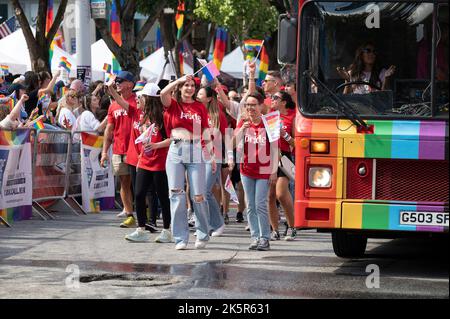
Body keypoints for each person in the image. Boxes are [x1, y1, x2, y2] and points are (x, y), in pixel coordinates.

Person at [160, 75, 217, 250]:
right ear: (179, 87)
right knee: (176, 194)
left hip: (196, 150)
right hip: (176, 150)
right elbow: (162, 93)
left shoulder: (200, 107)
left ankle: (202, 233)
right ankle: (180, 238)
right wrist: (177, 81)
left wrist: (212, 156)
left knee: (198, 196)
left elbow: (206, 133)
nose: (189, 88)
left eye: (192, 85)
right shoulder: (172, 104)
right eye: (186, 85)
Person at [124, 83, 172, 243]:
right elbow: (145, 139)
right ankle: (141, 229)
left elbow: (173, 138)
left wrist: (157, 145)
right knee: (138, 194)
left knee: (163, 196)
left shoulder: (164, 116)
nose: (138, 98)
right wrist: (139, 159)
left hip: (160, 162)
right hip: (144, 161)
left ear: (149, 98)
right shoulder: (142, 116)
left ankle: (167, 230)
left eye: (141, 96)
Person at [231, 93, 278, 251]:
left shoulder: (269, 122)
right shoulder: (243, 123)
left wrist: (273, 171)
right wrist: (241, 131)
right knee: (250, 206)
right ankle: (255, 237)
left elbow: (275, 148)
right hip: (247, 170)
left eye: (253, 104)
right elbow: (231, 143)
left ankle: (265, 238)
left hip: (264, 170)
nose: (250, 108)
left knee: (260, 205)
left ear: (260, 106)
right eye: (247, 105)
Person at [100, 71, 135, 224]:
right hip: (119, 150)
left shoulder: (137, 101)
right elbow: (109, 129)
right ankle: (129, 215)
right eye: (116, 81)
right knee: (124, 182)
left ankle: (147, 212)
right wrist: (104, 152)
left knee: (142, 183)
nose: (117, 83)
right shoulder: (113, 105)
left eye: (121, 80)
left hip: (136, 150)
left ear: (130, 84)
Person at [196, 86, 227, 237]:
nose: (197, 95)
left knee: (205, 192)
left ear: (208, 98)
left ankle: (218, 223)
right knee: (198, 192)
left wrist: (231, 159)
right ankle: (204, 225)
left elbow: (227, 137)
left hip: (214, 157)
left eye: (200, 94)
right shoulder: (195, 113)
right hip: (197, 157)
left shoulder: (218, 115)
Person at [268, 91, 297, 241]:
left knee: (280, 193)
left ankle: (292, 227)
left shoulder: (293, 116)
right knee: (270, 195)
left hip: (285, 157)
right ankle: (274, 230)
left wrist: (284, 134)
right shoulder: (270, 115)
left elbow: (296, 143)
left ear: (284, 102)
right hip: (268, 156)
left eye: (275, 98)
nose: (272, 99)